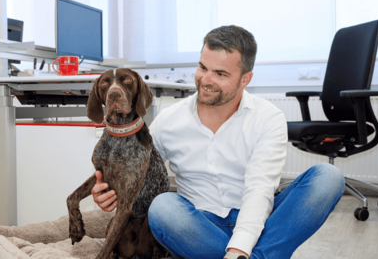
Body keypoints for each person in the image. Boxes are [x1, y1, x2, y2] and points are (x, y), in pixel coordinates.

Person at [91, 25, 345, 259]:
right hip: (197, 224)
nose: (206, 80)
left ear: (245, 79)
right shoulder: (169, 120)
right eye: (203, 67)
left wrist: (238, 249)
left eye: (220, 73)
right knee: (163, 207)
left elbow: (260, 190)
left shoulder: (268, 118)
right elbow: (133, 167)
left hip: (259, 217)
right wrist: (105, 193)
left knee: (328, 177)